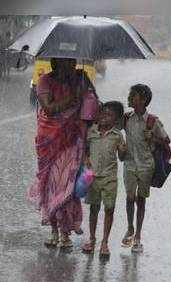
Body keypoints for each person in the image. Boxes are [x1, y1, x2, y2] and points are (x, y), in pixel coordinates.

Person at [28, 57, 99, 249]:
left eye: (73, 61)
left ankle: (65, 232)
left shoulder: (81, 78)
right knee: (51, 186)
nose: (71, 65)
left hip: (73, 140)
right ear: (55, 63)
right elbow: (49, 109)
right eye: (66, 62)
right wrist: (73, 99)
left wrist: (86, 94)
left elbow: (94, 106)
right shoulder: (45, 81)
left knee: (67, 186)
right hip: (49, 141)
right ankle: (53, 230)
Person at [121, 84, 169, 253]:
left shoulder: (153, 121)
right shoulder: (126, 118)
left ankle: (138, 236)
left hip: (146, 166)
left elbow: (166, 141)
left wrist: (154, 138)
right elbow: (110, 125)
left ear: (143, 100)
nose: (129, 98)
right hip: (129, 164)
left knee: (141, 200)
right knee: (129, 197)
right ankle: (130, 227)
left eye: (133, 95)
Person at [81, 101, 127, 257]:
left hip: (109, 178)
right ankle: (92, 239)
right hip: (93, 177)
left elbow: (122, 157)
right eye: (102, 113)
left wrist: (122, 150)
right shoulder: (91, 132)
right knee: (94, 208)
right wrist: (86, 159)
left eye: (109, 115)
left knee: (109, 209)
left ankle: (104, 242)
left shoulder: (117, 136)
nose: (104, 117)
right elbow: (85, 150)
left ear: (116, 120)